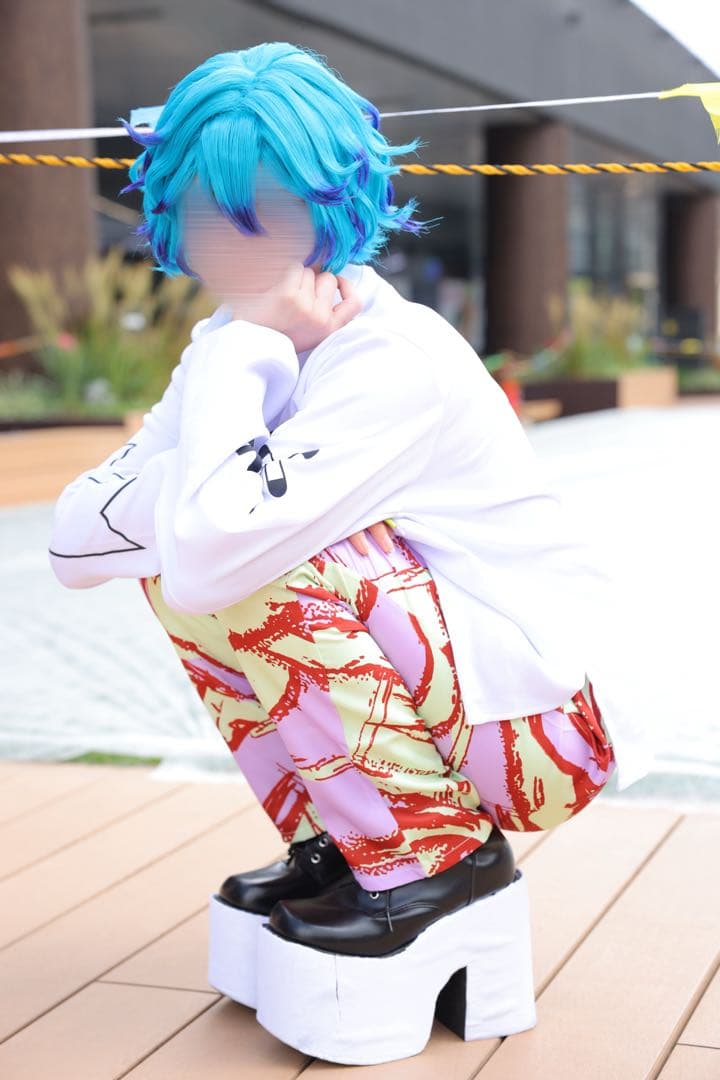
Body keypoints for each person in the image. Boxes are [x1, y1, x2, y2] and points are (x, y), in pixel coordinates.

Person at [47, 41, 652, 1065]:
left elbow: (214, 552)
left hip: (543, 732)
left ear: (332, 202)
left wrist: (209, 476)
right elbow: (73, 541)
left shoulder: (392, 358)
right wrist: (234, 384)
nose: (234, 241)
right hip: (450, 695)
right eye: (204, 209)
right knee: (203, 562)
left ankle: (431, 857)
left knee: (260, 564)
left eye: (265, 209)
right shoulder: (232, 340)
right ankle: (346, 838)